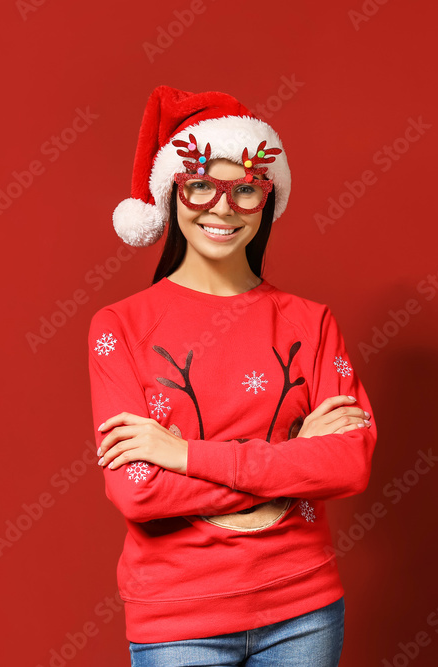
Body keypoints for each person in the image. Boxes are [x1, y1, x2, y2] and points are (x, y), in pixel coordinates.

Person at [87, 85, 378, 666]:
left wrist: (184, 456)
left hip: (305, 608)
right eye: (201, 185)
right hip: (179, 618)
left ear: (266, 199)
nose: (222, 208)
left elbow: (349, 462)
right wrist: (294, 462)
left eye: (245, 190)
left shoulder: (310, 322)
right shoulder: (119, 326)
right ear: (172, 195)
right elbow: (138, 490)